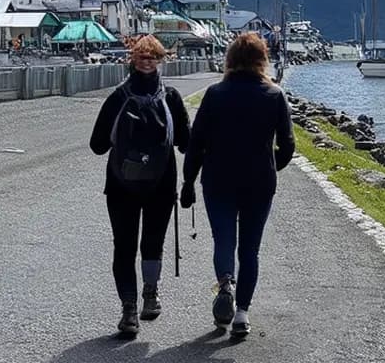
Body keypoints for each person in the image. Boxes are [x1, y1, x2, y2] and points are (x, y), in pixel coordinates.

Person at [181, 32, 295, 338]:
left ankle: (226, 284)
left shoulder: (215, 94)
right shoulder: (274, 95)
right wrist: (271, 165)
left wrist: (188, 181)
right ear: (262, 60)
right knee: (250, 250)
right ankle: (242, 314)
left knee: (224, 242)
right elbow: (287, 145)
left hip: (218, 179)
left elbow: (196, 143)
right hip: (259, 181)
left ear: (230, 59)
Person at [89, 35, 190, 338]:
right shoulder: (171, 97)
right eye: (145, 57)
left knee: (124, 247)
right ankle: (150, 294)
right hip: (162, 184)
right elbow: (186, 143)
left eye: (151, 57)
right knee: (152, 245)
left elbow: (97, 146)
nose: (147, 62)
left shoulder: (118, 97)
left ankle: (128, 310)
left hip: (121, 185)